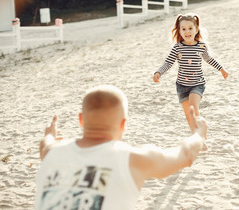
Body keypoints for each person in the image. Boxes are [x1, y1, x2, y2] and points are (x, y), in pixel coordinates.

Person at [36, 85, 207, 210]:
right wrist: (199, 133)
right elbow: (185, 155)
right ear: (123, 124)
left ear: (81, 120)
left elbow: (46, 143)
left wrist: (50, 133)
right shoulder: (133, 159)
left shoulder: (51, 152)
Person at [153, 13, 228, 149]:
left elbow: (209, 59)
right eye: (183, 29)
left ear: (196, 29)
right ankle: (198, 139)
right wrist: (159, 72)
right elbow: (168, 63)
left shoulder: (201, 47)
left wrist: (221, 69)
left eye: (190, 28)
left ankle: (201, 131)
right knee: (189, 115)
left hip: (197, 84)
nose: (187, 32)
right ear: (179, 31)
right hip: (181, 86)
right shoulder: (177, 48)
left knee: (193, 109)